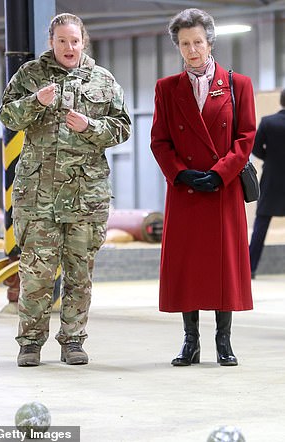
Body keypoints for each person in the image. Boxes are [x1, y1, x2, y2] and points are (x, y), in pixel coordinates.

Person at [0, 13, 131, 367]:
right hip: (37, 195)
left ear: (83, 41)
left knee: (79, 273)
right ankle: (30, 342)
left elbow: (122, 129)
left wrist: (90, 126)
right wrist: (35, 102)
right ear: (51, 42)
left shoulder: (102, 80)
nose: (68, 47)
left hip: (86, 196)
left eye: (74, 41)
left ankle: (73, 341)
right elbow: (7, 116)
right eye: (61, 41)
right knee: (36, 273)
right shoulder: (29, 76)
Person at [150, 8, 256, 367]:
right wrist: (180, 174)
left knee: (223, 266)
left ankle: (223, 342)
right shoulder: (166, 89)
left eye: (197, 41)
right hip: (186, 191)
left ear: (210, 41)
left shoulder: (237, 84)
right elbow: (160, 141)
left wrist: (221, 173)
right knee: (187, 267)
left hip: (223, 191)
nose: (192, 49)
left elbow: (245, 137)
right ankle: (190, 341)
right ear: (177, 47)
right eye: (185, 43)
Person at [249, 89, 285, 278]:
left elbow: (255, 148)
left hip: (272, 178)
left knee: (261, 224)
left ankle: (250, 268)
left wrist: (269, 158)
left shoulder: (268, 122)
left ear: (281, 101)